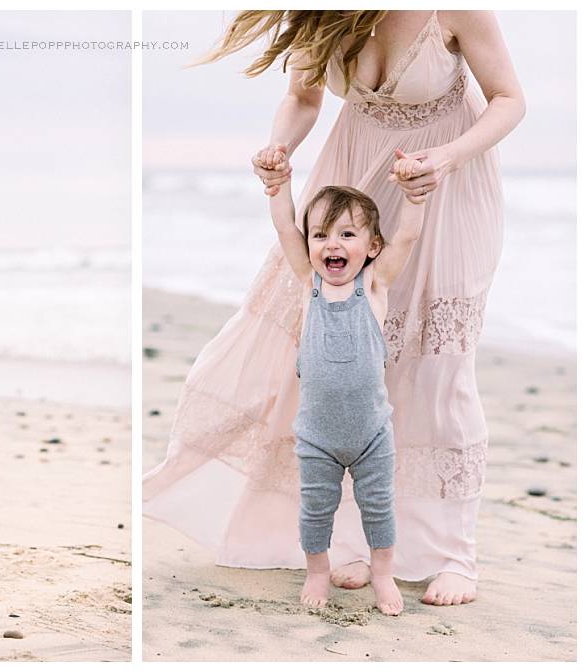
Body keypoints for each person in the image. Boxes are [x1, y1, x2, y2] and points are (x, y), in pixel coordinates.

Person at [143, 10, 525, 607]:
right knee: (336, 359)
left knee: (436, 368)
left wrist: (445, 158)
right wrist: (278, 148)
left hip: (443, 184)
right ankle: (353, 544)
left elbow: (508, 99)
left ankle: (454, 555)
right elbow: (302, 95)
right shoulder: (325, 14)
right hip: (350, 179)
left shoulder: (455, 10)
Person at [268, 148, 425, 614]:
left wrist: (413, 191)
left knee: (378, 507)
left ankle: (383, 573)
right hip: (316, 436)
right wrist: (277, 185)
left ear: (372, 246)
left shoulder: (373, 286)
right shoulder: (308, 284)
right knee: (316, 510)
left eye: (347, 234)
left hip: (373, 433)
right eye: (321, 235)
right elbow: (282, 227)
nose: (331, 244)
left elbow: (409, 236)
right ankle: (318, 571)